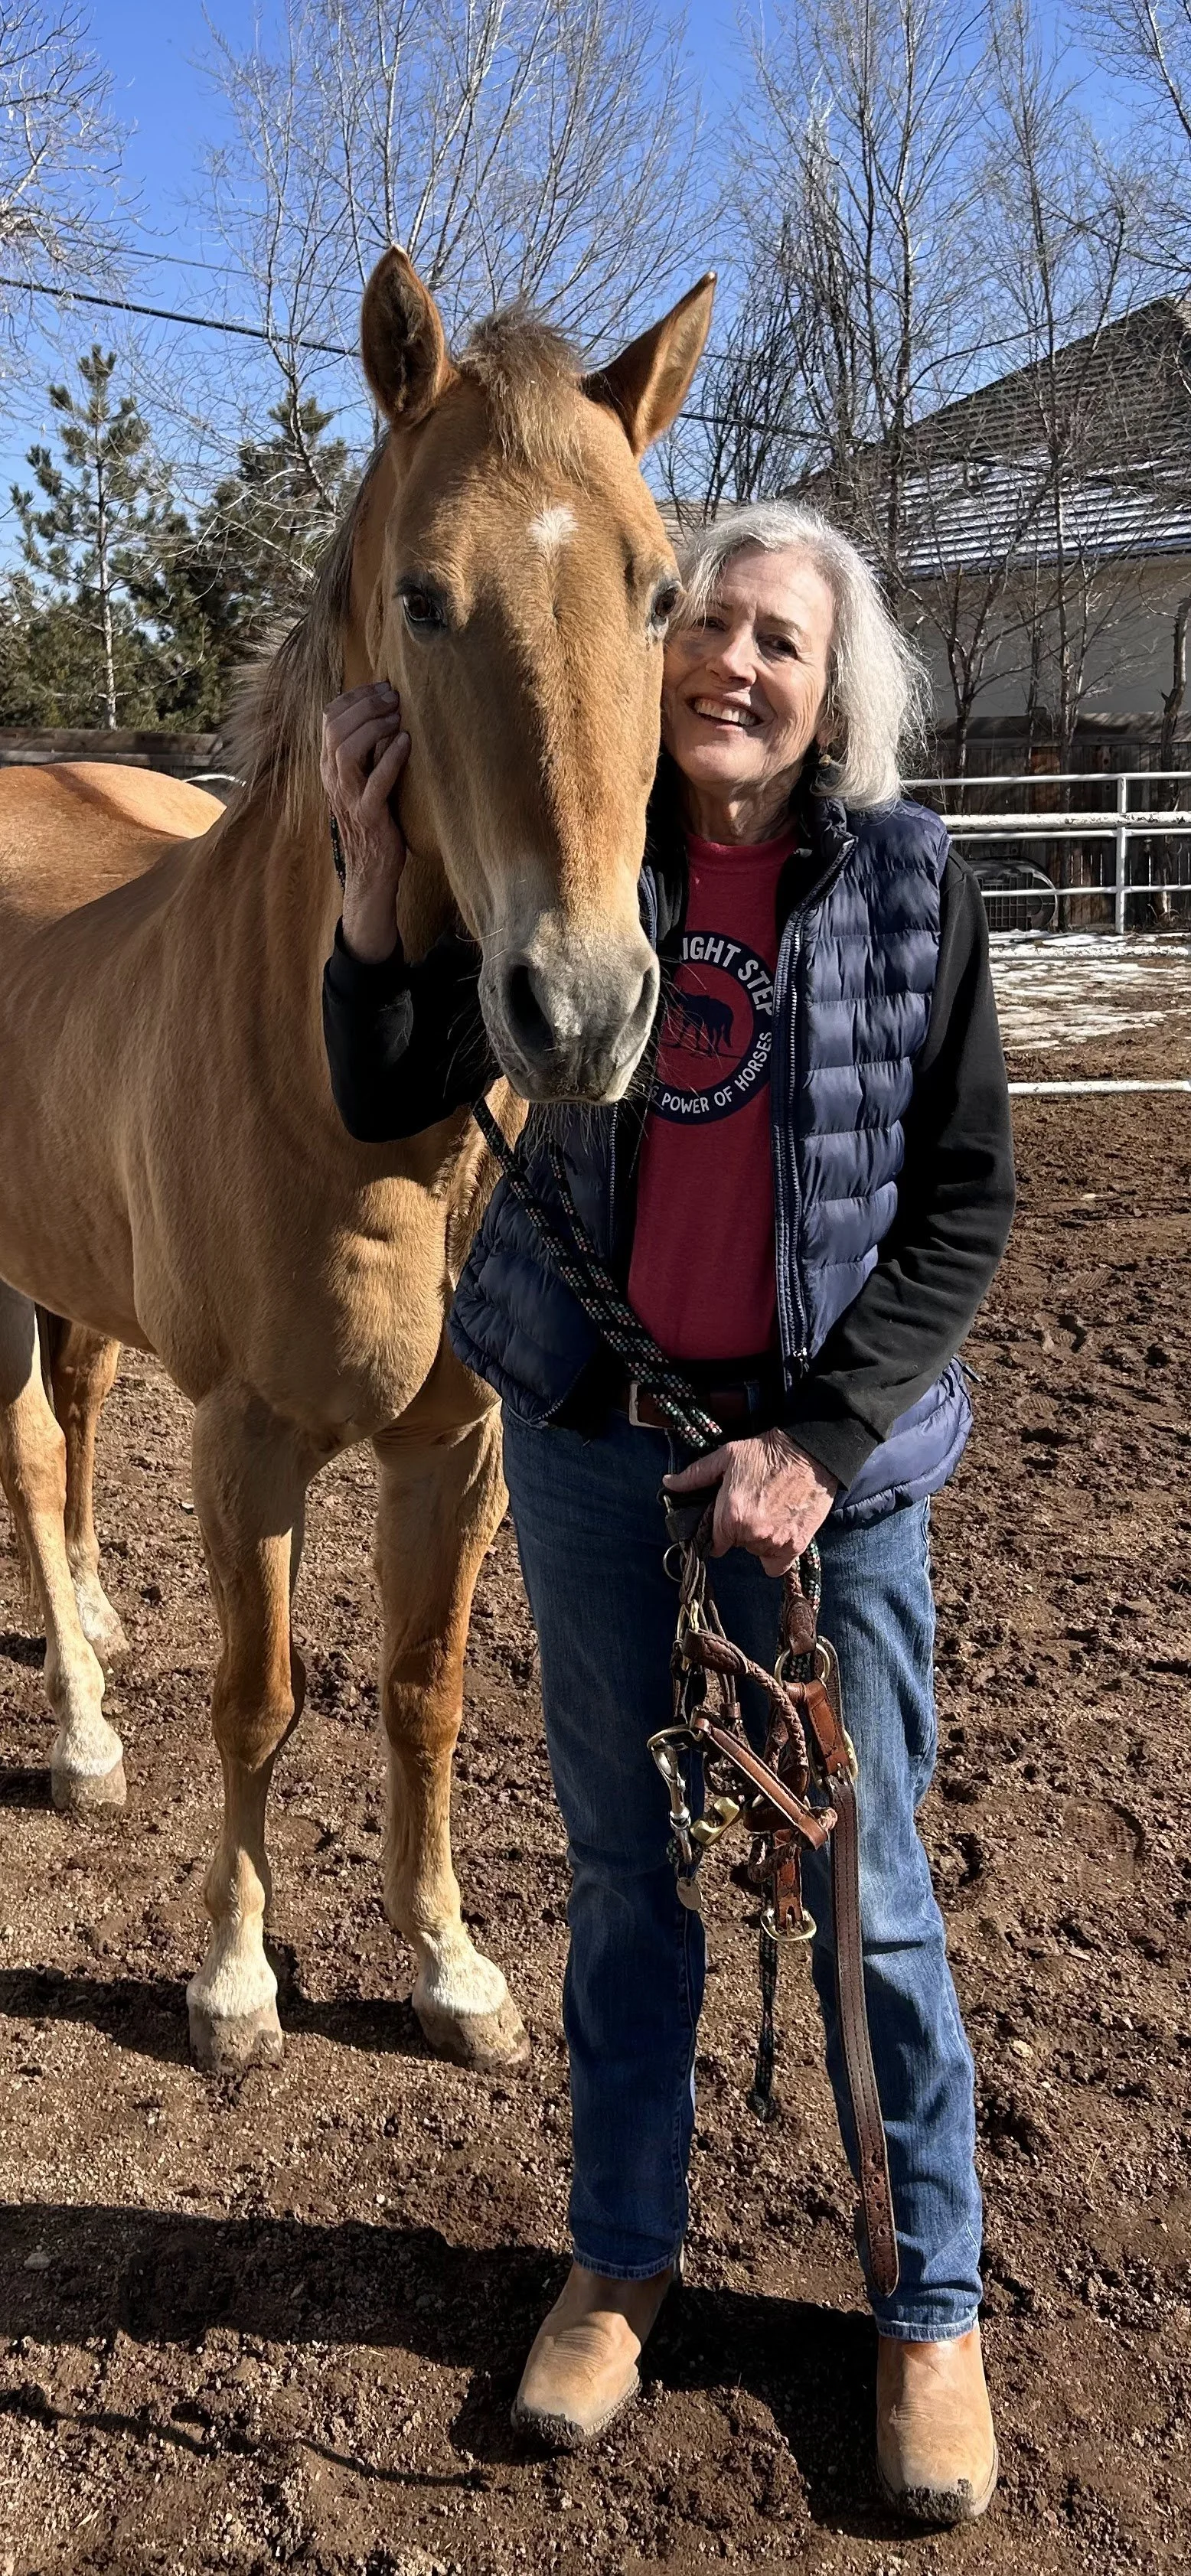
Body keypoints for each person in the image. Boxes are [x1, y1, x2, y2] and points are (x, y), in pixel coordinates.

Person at [320, 501, 1015, 2525]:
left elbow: (962, 1201)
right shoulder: (570, 851)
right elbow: (385, 1091)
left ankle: (928, 2298)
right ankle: (622, 2259)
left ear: (830, 690)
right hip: (592, 1439)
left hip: (826, 1485)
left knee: (862, 1891)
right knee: (625, 1876)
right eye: (702, 621)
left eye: (777, 642)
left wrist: (818, 1438)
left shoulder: (900, 882)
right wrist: (375, 882)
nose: (730, 662)